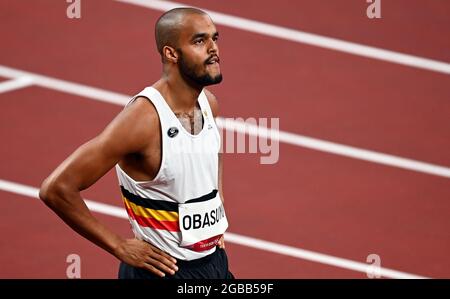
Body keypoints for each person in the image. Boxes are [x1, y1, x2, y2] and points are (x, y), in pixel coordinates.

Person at [39, 7, 233, 279]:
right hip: (163, 271)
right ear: (171, 53)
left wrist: (216, 205)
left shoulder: (208, 104)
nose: (213, 49)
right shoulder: (142, 121)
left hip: (213, 263)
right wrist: (118, 245)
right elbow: (56, 189)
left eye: (215, 38)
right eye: (200, 41)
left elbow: (212, 152)